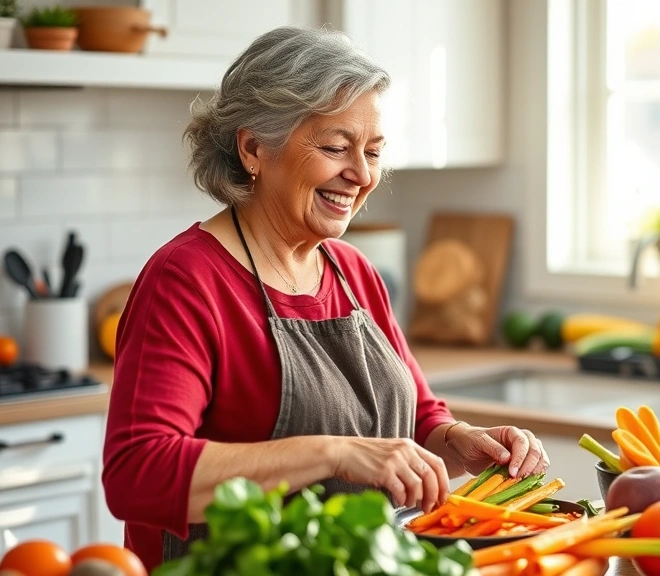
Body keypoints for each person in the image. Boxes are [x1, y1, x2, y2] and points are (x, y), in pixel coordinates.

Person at [101, 26, 548, 571]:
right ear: (252, 148)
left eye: (374, 152)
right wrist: (332, 451)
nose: (361, 176)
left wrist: (458, 441)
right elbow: (136, 475)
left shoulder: (355, 271)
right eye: (336, 148)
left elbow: (413, 419)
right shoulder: (187, 279)